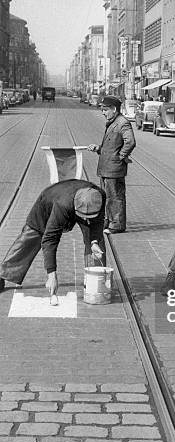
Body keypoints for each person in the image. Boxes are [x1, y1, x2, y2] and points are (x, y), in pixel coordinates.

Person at [0, 180, 105, 296]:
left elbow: (98, 222)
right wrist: (52, 275)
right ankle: (3, 273)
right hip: (48, 204)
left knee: (97, 244)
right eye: (84, 217)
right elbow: (50, 239)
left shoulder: (99, 196)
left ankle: (96, 281)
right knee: (30, 237)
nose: (85, 220)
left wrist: (94, 241)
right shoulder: (62, 205)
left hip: (82, 204)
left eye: (88, 217)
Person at [88, 95, 136, 234]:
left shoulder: (122, 123)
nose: (103, 112)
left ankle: (117, 225)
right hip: (106, 168)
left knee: (115, 197)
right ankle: (108, 221)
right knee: (107, 196)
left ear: (114, 109)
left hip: (114, 168)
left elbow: (130, 142)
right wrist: (98, 148)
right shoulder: (113, 122)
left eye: (105, 109)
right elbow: (111, 144)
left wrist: (120, 156)